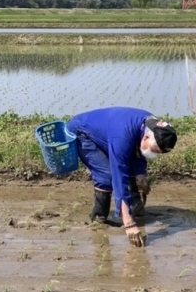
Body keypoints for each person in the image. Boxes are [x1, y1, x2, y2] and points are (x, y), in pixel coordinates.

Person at [66, 106, 177, 247]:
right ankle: (99, 219)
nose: (153, 155)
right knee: (107, 176)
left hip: (111, 131)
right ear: (147, 136)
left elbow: (137, 150)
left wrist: (140, 173)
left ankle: (136, 211)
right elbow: (119, 178)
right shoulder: (122, 137)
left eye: (158, 153)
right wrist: (129, 225)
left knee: (131, 168)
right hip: (82, 132)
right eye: (153, 150)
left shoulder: (151, 126)